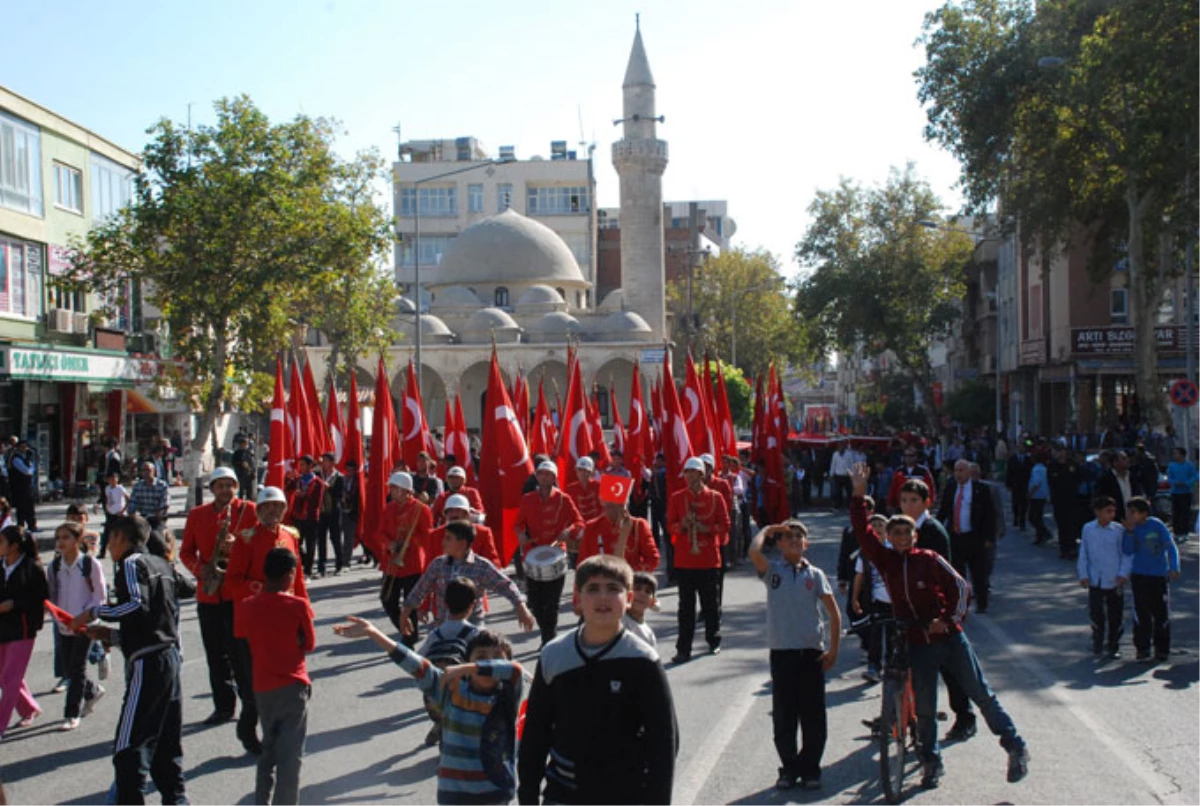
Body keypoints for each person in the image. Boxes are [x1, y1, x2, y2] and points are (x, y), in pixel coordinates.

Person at [850, 464, 1028, 790]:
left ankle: (1015, 745)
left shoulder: (930, 558)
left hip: (949, 637)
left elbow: (962, 589)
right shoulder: (886, 561)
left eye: (907, 533)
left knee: (981, 694)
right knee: (927, 709)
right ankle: (931, 762)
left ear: (915, 536)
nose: (902, 538)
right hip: (916, 641)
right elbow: (862, 531)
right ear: (888, 538)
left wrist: (946, 620)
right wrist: (859, 494)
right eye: (896, 533)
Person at [518, 555, 677, 806]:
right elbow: (535, 734)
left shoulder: (643, 660)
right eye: (592, 589)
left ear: (629, 600)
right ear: (578, 599)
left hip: (624, 794)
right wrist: (527, 795)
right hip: (563, 794)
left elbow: (664, 742)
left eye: (613, 589)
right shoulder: (554, 655)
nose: (603, 597)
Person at [334, 618, 525, 806]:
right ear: (466, 661)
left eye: (497, 658)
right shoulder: (450, 691)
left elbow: (515, 670)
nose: (488, 664)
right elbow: (416, 665)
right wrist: (375, 634)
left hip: (495, 793)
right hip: (455, 794)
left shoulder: (507, 695)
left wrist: (471, 667)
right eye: (481, 657)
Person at [69, 514, 188, 806]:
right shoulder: (163, 564)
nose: (108, 546)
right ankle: (178, 801)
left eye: (111, 538)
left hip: (149, 663)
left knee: (129, 747)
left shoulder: (132, 563)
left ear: (122, 538)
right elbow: (161, 615)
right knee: (164, 744)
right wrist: (112, 637)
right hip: (168, 657)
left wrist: (95, 611)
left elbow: (137, 604)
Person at [749, 520, 840, 791]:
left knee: (813, 714)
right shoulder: (773, 570)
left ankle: (811, 767)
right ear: (779, 544)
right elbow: (755, 553)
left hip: (811, 652)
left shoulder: (815, 574)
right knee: (784, 714)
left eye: (799, 539)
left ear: (806, 544)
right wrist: (767, 530)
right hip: (782, 652)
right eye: (788, 538)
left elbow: (833, 614)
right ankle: (788, 767)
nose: (794, 542)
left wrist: (833, 649)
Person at [179, 466, 259, 747]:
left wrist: (239, 544)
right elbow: (185, 551)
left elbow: (260, 544)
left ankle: (250, 704)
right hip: (209, 593)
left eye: (230, 485)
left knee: (241, 653)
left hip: (237, 593)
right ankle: (223, 706)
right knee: (215, 653)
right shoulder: (197, 515)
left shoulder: (249, 510)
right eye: (220, 485)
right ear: (212, 488)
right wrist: (201, 571)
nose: (226, 490)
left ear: (237, 487)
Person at [234, 548, 315, 806]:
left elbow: (242, 636)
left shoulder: (247, 605)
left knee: (268, 748)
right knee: (291, 757)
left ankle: (262, 800)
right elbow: (309, 643)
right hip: (293, 683)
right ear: (290, 574)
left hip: (263, 685)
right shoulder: (297, 605)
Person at [401, 518, 534, 636]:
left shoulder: (481, 566)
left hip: (473, 628)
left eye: (448, 538)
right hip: (442, 626)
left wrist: (521, 607)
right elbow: (420, 590)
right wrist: (405, 612)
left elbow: (505, 586)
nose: (443, 542)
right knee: (425, 659)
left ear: (462, 543)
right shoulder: (438, 565)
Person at [668, 457, 730, 664]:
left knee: (710, 604)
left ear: (701, 475)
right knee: (685, 608)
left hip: (708, 560)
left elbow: (725, 524)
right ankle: (683, 649)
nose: (688, 477)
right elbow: (670, 526)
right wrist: (682, 526)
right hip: (685, 560)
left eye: (692, 473)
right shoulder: (677, 498)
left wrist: (707, 529)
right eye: (686, 473)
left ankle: (713, 640)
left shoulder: (716, 497)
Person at [514, 461, 584, 645]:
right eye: (541, 474)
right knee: (536, 604)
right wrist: (520, 533)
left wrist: (569, 531)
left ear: (554, 478)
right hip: (533, 555)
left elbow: (579, 522)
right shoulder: (527, 499)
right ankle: (548, 634)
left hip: (556, 555)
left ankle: (548, 640)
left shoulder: (564, 499)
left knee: (552, 604)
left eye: (548, 474)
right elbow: (518, 523)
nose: (544, 477)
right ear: (536, 476)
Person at [48, 521, 108, 731]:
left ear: (78, 540)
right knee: (69, 667)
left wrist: (83, 618)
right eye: (58, 538)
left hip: (85, 625)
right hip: (63, 625)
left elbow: (99, 597)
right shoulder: (55, 566)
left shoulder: (90, 564)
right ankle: (92, 691)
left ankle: (72, 713)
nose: (61, 542)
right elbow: (52, 595)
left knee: (77, 666)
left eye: (66, 537)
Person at [370, 472, 433, 645]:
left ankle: (409, 637)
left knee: (409, 603)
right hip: (392, 562)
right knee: (387, 599)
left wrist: (408, 542)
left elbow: (427, 537)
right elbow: (379, 533)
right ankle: (405, 628)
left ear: (405, 490)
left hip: (412, 563)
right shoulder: (389, 508)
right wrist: (389, 544)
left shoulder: (422, 509)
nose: (390, 490)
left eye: (394, 487)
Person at [0, 525, 48, 738]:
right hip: (1, 628)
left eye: (2, 541)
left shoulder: (32, 567)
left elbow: (41, 599)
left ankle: (0, 725)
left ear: (15, 547)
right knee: (5, 677)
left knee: (10, 678)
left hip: (23, 630)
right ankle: (29, 708)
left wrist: (15, 604)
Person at [1123, 497, 1182, 662]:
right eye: (1129, 512)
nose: (1130, 515)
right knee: (1141, 612)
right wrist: (1129, 532)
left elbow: (1170, 546)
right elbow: (1127, 550)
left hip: (1158, 575)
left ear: (1144, 513)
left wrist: (1174, 566)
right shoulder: (1131, 528)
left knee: (1161, 612)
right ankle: (1142, 647)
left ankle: (1162, 649)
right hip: (1139, 574)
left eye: (1133, 512)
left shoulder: (1156, 525)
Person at [936, 460, 997, 614]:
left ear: (969, 472)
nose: (958, 474)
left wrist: (990, 538)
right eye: (956, 470)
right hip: (956, 537)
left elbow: (990, 515)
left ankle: (982, 603)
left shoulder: (981, 489)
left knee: (979, 573)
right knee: (957, 574)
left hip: (975, 537)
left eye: (962, 470)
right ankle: (960, 604)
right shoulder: (951, 487)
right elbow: (943, 510)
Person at [1077, 496, 1131, 660]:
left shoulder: (1118, 530)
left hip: (1114, 578)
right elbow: (1084, 553)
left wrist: (1123, 573)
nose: (1111, 514)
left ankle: (1113, 645)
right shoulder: (1088, 529)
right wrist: (1083, 574)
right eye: (1108, 511)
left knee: (1116, 614)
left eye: (1113, 511)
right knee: (1096, 613)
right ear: (1097, 512)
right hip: (1095, 578)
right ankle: (1097, 641)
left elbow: (1125, 554)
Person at [576, 474, 660, 572]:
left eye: (619, 507)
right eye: (609, 506)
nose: (613, 511)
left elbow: (653, 559)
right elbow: (582, 564)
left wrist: (629, 573)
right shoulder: (593, 527)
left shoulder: (638, 526)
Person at [852, 512, 891, 682]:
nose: (877, 530)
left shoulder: (894, 550)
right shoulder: (865, 553)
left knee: (893, 636)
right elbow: (859, 576)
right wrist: (855, 598)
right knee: (875, 636)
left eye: (880, 527)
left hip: (895, 602)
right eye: (873, 526)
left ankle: (891, 667)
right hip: (875, 601)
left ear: (887, 532)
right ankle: (874, 667)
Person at [286, 455, 327, 580]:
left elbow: (317, 501)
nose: (301, 467)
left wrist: (303, 495)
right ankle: (302, 563)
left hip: (311, 517)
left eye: (304, 464)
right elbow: (288, 487)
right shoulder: (298, 480)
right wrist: (288, 478)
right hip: (298, 516)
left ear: (310, 466)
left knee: (311, 544)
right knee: (297, 542)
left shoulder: (318, 482)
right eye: (301, 465)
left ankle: (308, 570)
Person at [887, 445, 937, 514]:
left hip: (919, 506)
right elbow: (893, 488)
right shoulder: (899, 471)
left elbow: (930, 488)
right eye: (905, 456)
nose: (908, 458)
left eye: (911, 456)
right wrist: (890, 503)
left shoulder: (923, 471)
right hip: (901, 506)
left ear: (916, 457)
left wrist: (930, 503)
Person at [316, 453, 344, 576]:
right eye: (323, 461)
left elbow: (340, 495)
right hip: (321, 512)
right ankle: (321, 567)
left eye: (326, 461)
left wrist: (329, 488)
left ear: (332, 463)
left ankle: (339, 564)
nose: (324, 463)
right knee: (321, 539)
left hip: (334, 512)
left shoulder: (339, 477)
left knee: (335, 538)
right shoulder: (318, 475)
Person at [128, 462, 170, 536]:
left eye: (148, 470)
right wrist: (132, 513)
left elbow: (165, 502)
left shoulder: (162, 485)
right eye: (143, 470)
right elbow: (132, 502)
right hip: (143, 518)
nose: (146, 473)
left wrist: (160, 511)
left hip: (157, 519)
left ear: (153, 471)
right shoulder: (137, 486)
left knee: (157, 537)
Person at [1165, 447, 1197, 541]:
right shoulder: (1171, 465)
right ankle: (1177, 532)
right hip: (1175, 492)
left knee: (1185, 513)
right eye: (1174, 454)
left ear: (1182, 455)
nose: (1175, 455)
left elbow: (1195, 476)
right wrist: (1174, 482)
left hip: (1186, 492)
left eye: (1177, 453)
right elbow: (1169, 477)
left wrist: (1187, 482)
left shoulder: (1189, 465)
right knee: (1176, 512)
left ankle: (1185, 532)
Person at [100, 470, 130, 558]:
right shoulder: (107, 488)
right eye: (111, 478)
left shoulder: (120, 488)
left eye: (114, 478)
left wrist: (123, 510)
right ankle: (102, 552)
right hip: (111, 513)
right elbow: (108, 499)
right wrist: (106, 508)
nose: (113, 480)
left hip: (119, 513)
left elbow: (128, 498)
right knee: (107, 534)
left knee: (122, 533)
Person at [7, 441, 36, 531]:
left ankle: (32, 525)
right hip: (19, 487)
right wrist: (31, 466)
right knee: (22, 507)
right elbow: (27, 471)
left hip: (27, 487)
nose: (25, 449)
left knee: (29, 506)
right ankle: (21, 525)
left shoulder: (26, 458)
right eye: (22, 447)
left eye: (26, 447)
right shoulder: (16, 459)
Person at [1005, 441, 1033, 532]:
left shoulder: (1028, 459)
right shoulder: (1012, 459)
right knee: (1015, 503)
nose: (1021, 448)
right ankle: (1016, 517)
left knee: (1024, 504)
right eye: (1020, 447)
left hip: (1025, 484)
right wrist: (1008, 484)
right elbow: (1009, 472)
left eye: (1023, 447)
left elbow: (1030, 472)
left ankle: (1022, 522)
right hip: (1015, 484)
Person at [626, 571, 659, 648]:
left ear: (652, 601)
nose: (642, 594)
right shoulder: (616, 623)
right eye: (637, 589)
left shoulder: (649, 635)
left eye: (648, 591)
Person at [1028, 453, 1051, 545]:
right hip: (1043, 495)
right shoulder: (1045, 469)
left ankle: (1044, 533)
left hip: (1036, 496)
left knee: (1033, 517)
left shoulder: (1036, 469)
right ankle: (1040, 535)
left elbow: (1036, 483)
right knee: (1038, 517)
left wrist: (1030, 493)